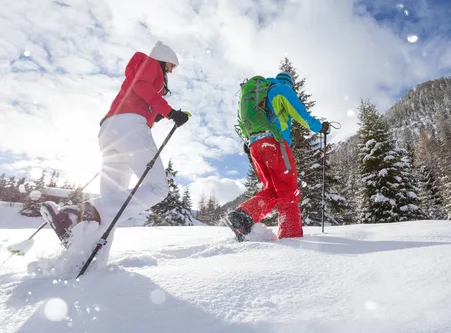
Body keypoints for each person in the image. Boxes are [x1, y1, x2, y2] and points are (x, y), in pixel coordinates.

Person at [39, 41, 190, 265]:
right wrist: (170, 112)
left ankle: (85, 259)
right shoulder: (150, 63)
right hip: (129, 126)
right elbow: (142, 87)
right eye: (170, 65)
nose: (170, 71)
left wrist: (154, 114)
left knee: (113, 204)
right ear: (162, 58)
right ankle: (78, 214)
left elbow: (137, 94)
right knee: (158, 188)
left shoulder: (139, 68)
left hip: (110, 129)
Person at [227, 71, 330, 240]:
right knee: (288, 190)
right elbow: (302, 115)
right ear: (290, 84)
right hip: (275, 143)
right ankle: (291, 237)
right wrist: (320, 127)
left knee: (273, 190)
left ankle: (242, 217)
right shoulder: (282, 89)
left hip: (254, 145)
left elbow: (241, 122)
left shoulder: (255, 95)